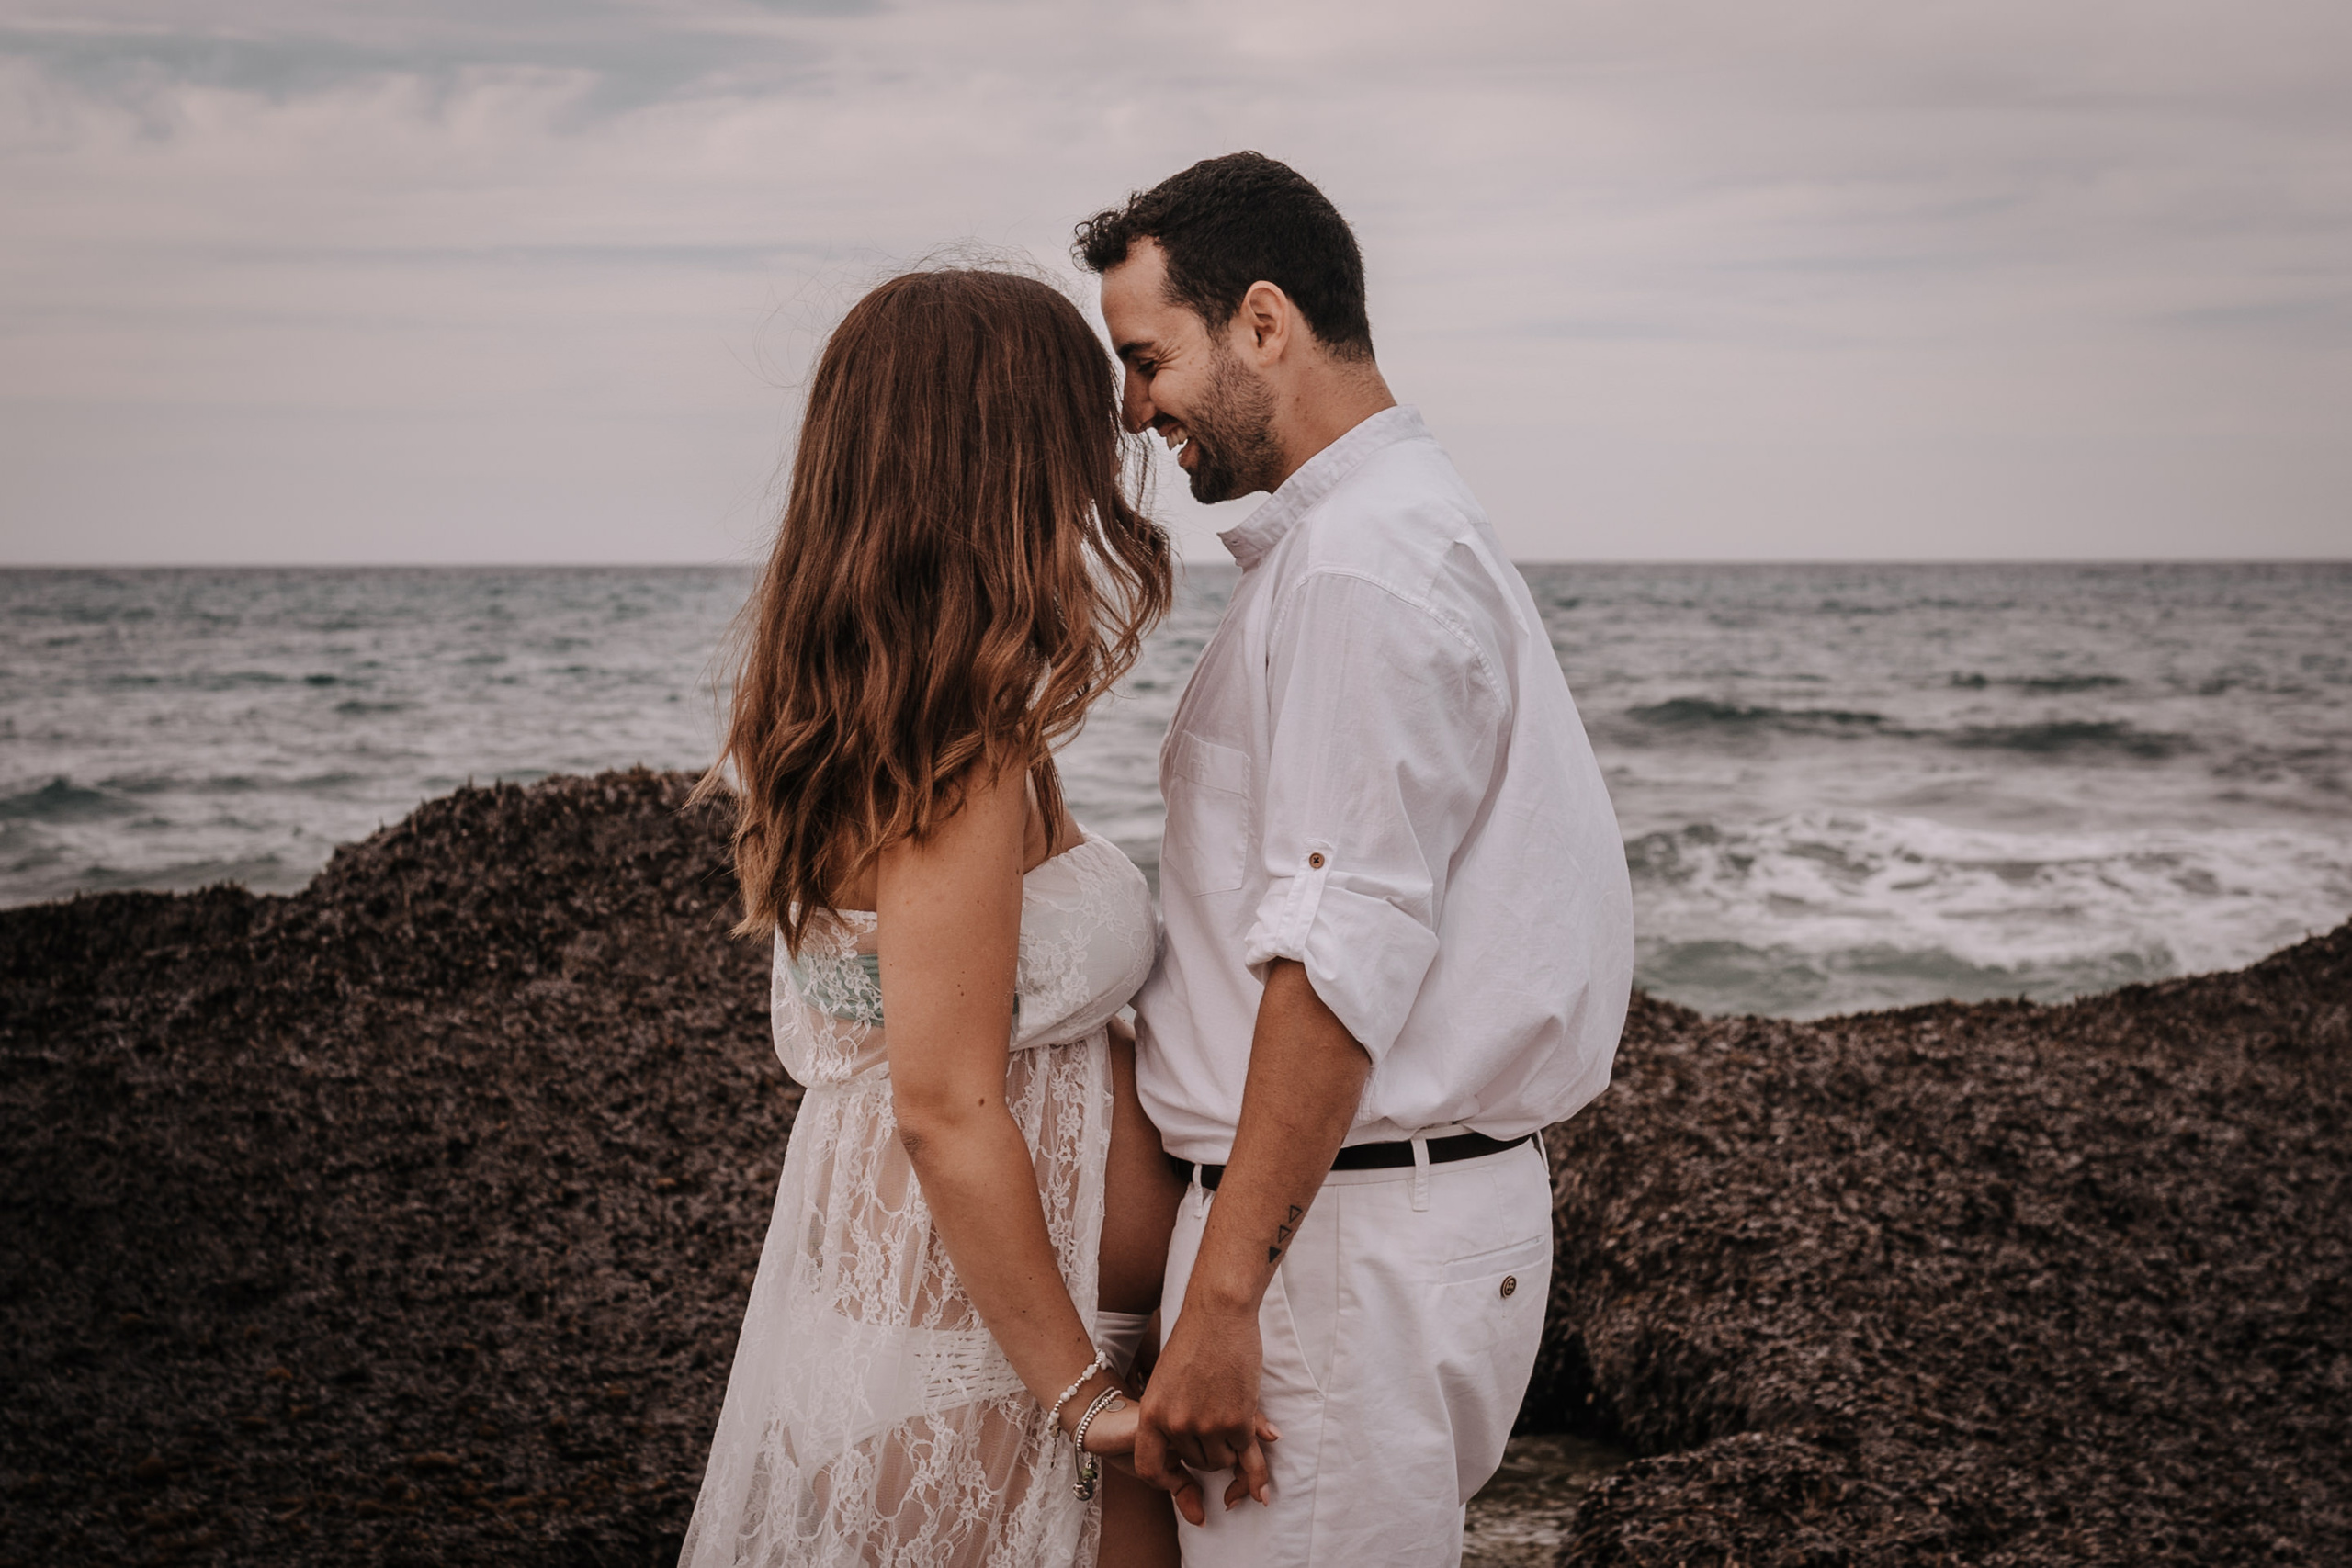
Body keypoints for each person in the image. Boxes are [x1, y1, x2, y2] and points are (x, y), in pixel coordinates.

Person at [1074, 153, 1634, 1565]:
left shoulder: (1357, 570)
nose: (1136, 412)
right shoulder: (1380, 538)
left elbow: (1338, 956)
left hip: (1342, 1252)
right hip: (1374, 1232)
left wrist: (1221, 1309)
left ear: (1265, 322)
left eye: (1147, 361)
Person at [680, 268, 1226, 1568]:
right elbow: (939, 1100)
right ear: (1003, 456)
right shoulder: (949, 748)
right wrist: (1085, 1394)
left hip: (948, 1319)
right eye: (1086, 416)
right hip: (989, 1352)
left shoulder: (901, 711)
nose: (1123, 438)